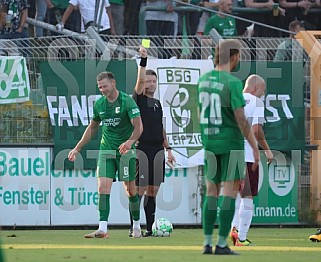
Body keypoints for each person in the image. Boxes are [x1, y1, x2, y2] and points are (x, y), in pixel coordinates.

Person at [197, 39, 259, 255]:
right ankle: (222, 244)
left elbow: (199, 113)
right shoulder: (232, 83)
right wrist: (254, 146)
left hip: (210, 143)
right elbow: (240, 118)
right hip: (231, 143)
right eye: (239, 55)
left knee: (211, 191)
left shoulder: (203, 81)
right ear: (233, 56)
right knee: (230, 192)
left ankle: (206, 242)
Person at [68, 71, 143, 238]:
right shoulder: (100, 104)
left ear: (113, 83)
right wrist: (77, 148)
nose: (102, 89)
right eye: (100, 87)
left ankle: (137, 226)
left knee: (130, 190)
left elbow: (139, 127)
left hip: (125, 151)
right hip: (106, 149)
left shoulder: (127, 102)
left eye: (105, 86)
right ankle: (102, 228)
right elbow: (93, 128)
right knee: (102, 187)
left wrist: (130, 142)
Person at [128, 46, 176, 237]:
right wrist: (143, 61)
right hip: (142, 149)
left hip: (158, 150)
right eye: (148, 81)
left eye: (153, 81)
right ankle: (135, 228)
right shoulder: (138, 99)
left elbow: (160, 127)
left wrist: (169, 149)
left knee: (153, 191)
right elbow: (139, 82)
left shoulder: (157, 103)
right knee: (138, 191)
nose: (151, 84)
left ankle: (150, 228)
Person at [230, 74, 273, 247]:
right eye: (262, 90)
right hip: (247, 155)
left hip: (230, 154)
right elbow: (256, 131)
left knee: (236, 195)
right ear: (256, 88)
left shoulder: (233, 100)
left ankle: (234, 228)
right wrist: (267, 151)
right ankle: (242, 238)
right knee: (247, 196)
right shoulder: (256, 102)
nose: (262, 94)